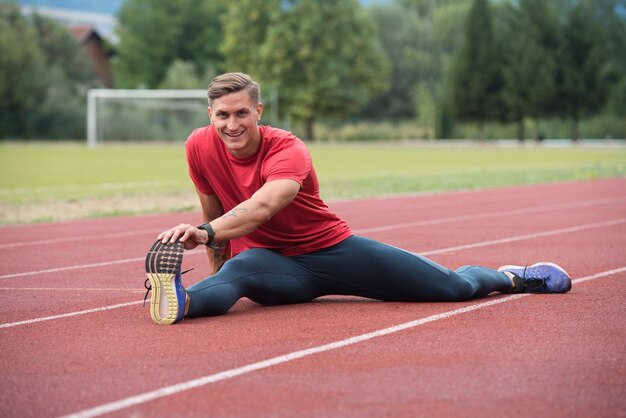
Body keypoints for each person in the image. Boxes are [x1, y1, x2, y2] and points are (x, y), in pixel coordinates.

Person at [144, 72, 571, 326]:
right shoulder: (198, 146)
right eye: (223, 115)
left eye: (241, 113)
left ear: (259, 111)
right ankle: (183, 301)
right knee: (237, 274)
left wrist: (204, 232)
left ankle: (514, 277)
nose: (232, 124)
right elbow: (214, 215)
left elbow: (262, 207)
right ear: (210, 116)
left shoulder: (288, 148)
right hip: (272, 263)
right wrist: (211, 246)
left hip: (331, 249)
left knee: (453, 286)